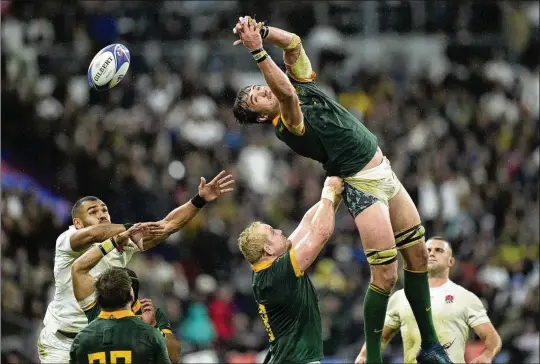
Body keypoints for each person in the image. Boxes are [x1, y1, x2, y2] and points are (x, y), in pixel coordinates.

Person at [232, 16, 450, 364]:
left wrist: (265, 33)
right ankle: (373, 359)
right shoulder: (287, 125)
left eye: (257, 88)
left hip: (384, 171)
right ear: (260, 117)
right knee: (386, 275)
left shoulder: (299, 81)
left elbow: (295, 44)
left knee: (419, 258)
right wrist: (257, 52)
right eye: (255, 98)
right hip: (359, 184)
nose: (260, 90)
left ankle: (431, 346)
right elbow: (285, 94)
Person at [37, 171, 234, 363]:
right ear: (77, 223)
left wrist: (198, 200)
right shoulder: (67, 240)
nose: (102, 214)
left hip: (99, 337)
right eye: (93, 212)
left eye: (104, 210)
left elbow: (167, 226)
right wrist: (130, 229)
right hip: (62, 340)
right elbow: (94, 234)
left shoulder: (123, 242)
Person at [237, 176, 343, 364]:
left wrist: (336, 195)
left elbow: (308, 224)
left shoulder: (268, 268)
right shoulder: (277, 275)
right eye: (272, 232)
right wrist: (328, 189)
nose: (279, 231)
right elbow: (320, 234)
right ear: (268, 249)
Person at [355, 237, 502, 364]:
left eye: (439, 250)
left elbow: (491, 337)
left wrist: (487, 355)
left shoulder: (465, 298)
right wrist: (363, 355)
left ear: (451, 261)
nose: (432, 253)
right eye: (428, 250)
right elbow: (381, 337)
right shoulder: (400, 297)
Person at [71, 226, 181, 363]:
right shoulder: (150, 323)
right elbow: (174, 357)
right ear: (131, 293)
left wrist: (114, 241)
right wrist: (154, 329)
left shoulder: (82, 337)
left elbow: (78, 269)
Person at [69, 261, 170, 363]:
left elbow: (77, 268)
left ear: (99, 298)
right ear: (131, 295)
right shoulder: (151, 335)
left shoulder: (81, 339)